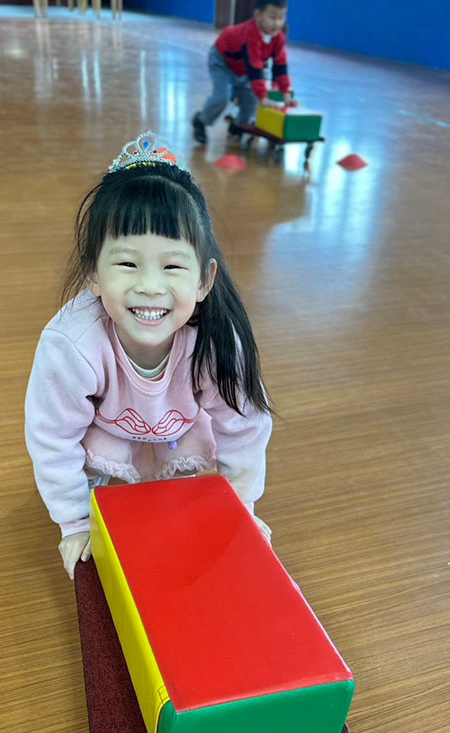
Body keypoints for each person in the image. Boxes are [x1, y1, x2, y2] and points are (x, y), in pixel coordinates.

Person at [25, 131, 273, 579]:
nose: (151, 287)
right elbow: (52, 438)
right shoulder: (71, 344)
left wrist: (240, 508)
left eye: (172, 266)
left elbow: (245, 426)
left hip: (177, 432)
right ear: (93, 273)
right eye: (127, 264)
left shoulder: (217, 338)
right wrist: (76, 523)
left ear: (204, 280)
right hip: (109, 435)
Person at [192, 1, 298, 145]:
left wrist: (286, 94)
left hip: (244, 68)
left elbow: (281, 66)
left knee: (251, 104)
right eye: (272, 17)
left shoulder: (278, 38)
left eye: (281, 18)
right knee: (222, 98)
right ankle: (201, 120)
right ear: (258, 15)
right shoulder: (250, 35)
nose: (277, 23)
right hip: (222, 61)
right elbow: (255, 69)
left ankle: (237, 127)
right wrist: (263, 96)